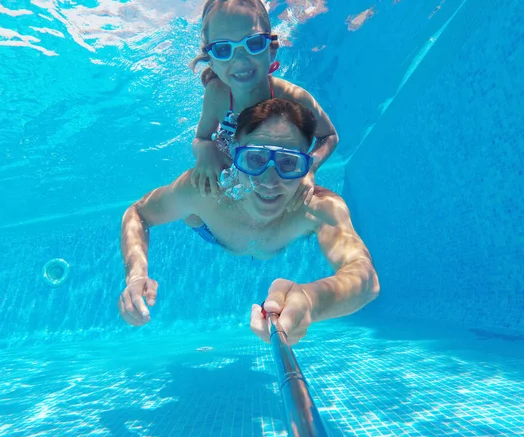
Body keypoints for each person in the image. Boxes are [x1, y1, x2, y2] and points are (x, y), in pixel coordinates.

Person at [119, 99, 379, 345]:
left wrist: (311, 301)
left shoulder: (318, 207)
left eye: (289, 163)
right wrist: (136, 275)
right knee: (193, 211)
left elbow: (364, 276)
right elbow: (138, 213)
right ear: (235, 156)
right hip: (209, 228)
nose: (269, 180)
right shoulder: (203, 189)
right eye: (255, 158)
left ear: (307, 166)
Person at [187, 0, 339, 215]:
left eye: (254, 43)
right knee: (193, 211)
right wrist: (205, 150)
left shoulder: (293, 98)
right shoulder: (217, 94)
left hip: (275, 172)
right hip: (233, 161)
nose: (240, 60)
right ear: (211, 61)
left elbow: (330, 136)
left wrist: (310, 169)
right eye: (223, 49)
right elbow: (201, 138)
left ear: (271, 50)